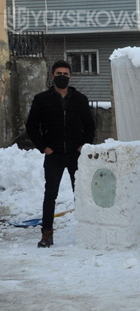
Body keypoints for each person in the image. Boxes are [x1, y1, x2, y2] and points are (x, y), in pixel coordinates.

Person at [26, 60, 96, 248]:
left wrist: (84, 145)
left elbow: (90, 125)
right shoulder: (42, 99)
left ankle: (88, 233)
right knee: (50, 195)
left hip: (75, 154)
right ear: (52, 76)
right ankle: (47, 233)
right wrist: (44, 148)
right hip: (54, 155)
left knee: (80, 195)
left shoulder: (80, 99)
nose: (62, 77)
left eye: (65, 74)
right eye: (58, 73)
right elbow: (31, 127)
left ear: (70, 76)